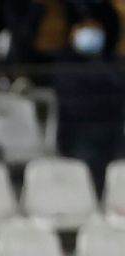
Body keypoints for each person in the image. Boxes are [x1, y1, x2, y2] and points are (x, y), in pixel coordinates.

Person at [54, 13, 125, 194]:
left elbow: (119, 97)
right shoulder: (65, 64)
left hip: (113, 132)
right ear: (73, 34)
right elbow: (74, 105)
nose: (91, 36)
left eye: (95, 31)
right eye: (85, 30)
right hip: (79, 134)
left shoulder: (112, 63)